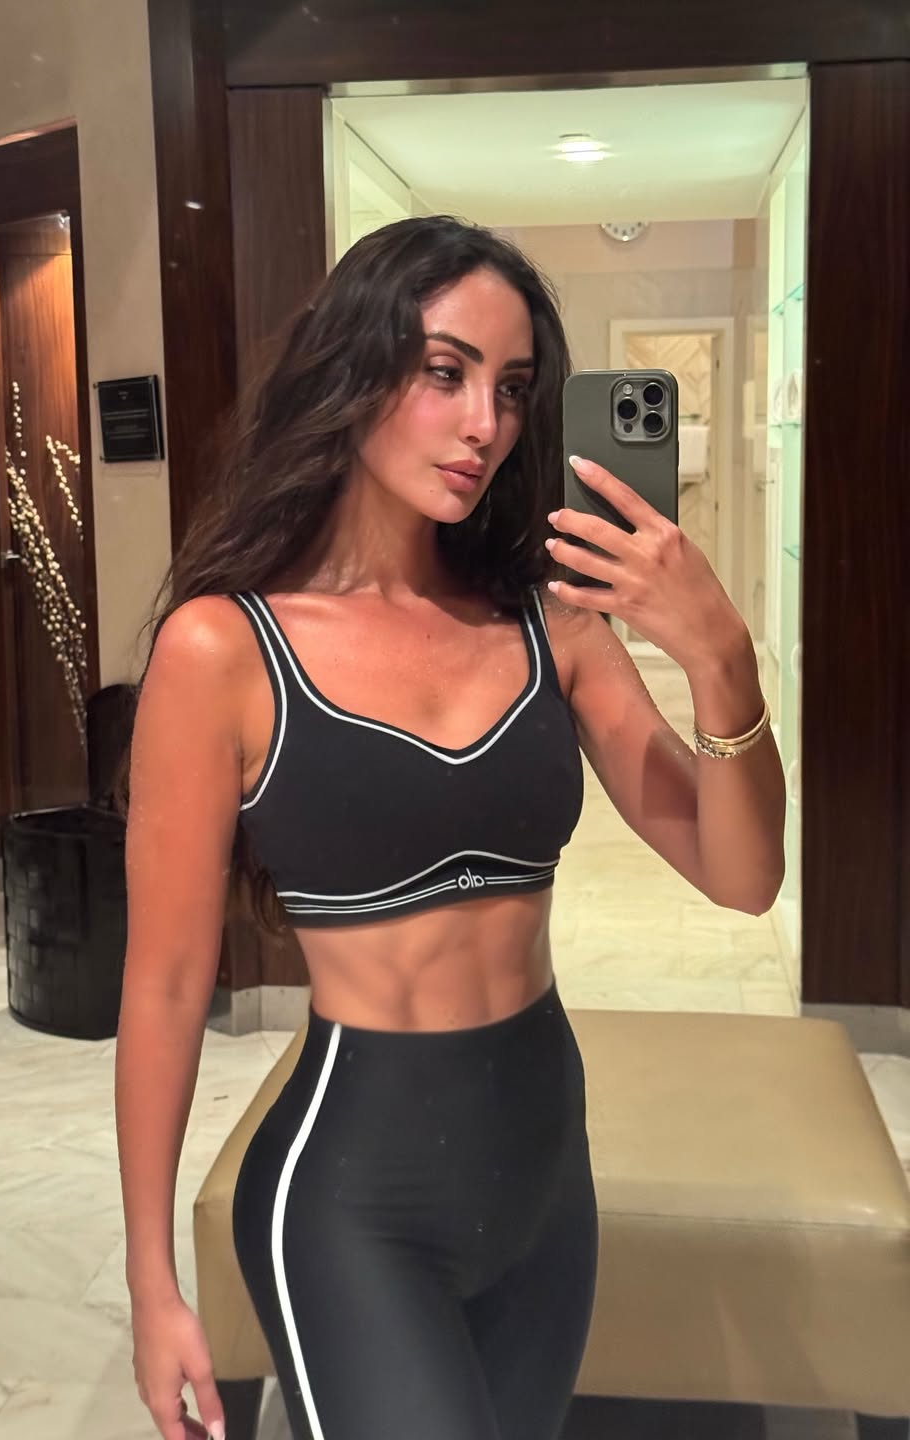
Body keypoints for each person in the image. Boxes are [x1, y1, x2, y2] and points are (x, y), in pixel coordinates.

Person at [114, 216, 786, 1440]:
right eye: (444, 372)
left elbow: (742, 877)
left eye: (512, 389)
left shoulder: (552, 627)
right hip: (355, 1200)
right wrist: (152, 1282)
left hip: (546, 1182)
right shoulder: (223, 650)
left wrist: (721, 660)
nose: (486, 423)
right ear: (353, 368)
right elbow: (162, 982)